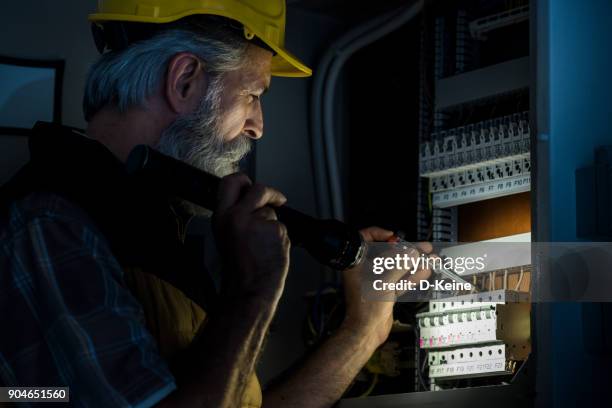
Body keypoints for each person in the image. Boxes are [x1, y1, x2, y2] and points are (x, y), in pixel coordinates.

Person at [0, 1, 431, 406]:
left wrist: (365, 328)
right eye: (253, 95)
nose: (257, 126)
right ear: (184, 79)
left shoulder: (150, 227)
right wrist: (253, 288)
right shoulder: (52, 223)